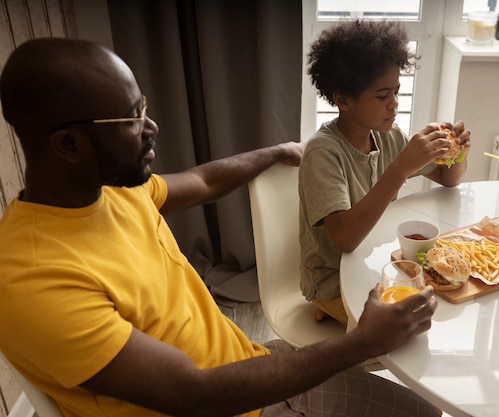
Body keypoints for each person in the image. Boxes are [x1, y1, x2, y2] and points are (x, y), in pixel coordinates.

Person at [0, 37, 441, 417]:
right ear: (68, 144)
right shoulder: (33, 279)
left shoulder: (108, 190)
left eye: (144, 108)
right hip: (234, 401)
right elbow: (194, 395)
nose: (151, 127)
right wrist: (362, 341)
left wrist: (275, 151)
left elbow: (203, 181)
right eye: (131, 119)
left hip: (243, 362)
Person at [299, 20, 472, 326]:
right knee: (410, 326)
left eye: (396, 91)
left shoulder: (389, 137)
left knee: (446, 302)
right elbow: (346, 239)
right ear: (343, 99)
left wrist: (456, 151)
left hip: (375, 263)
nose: (394, 103)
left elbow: (449, 179)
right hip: (332, 280)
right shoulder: (323, 153)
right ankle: (326, 306)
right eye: (382, 96)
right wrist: (400, 168)